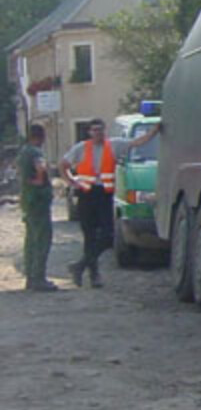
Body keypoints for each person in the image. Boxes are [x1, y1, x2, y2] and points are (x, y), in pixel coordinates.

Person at [60, 118, 159, 288]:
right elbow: (63, 164)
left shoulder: (113, 145)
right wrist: (71, 182)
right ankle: (93, 276)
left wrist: (155, 130)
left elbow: (138, 142)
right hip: (86, 195)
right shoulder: (81, 148)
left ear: (105, 131)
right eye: (95, 130)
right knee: (89, 237)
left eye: (101, 130)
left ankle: (80, 266)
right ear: (90, 132)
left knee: (107, 235)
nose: (98, 133)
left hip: (104, 196)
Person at [19, 123, 59, 291]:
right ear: (40, 137)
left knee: (30, 241)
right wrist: (43, 179)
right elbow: (40, 168)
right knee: (42, 240)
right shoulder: (36, 152)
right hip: (39, 201)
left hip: (28, 200)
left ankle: (30, 277)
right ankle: (38, 278)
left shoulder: (23, 152)